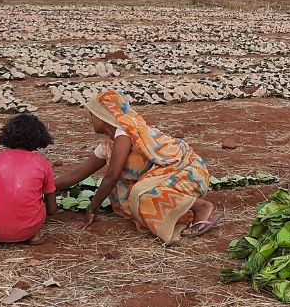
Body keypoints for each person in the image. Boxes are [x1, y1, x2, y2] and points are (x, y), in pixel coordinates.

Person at [55, 90, 219, 244]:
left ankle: (201, 207)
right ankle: (182, 210)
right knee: (129, 202)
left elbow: (112, 175)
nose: (90, 119)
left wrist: (92, 208)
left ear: (103, 115)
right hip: (164, 178)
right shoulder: (108, 145)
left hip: (185, 172)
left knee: (142, 196)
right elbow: (77, 174)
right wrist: (42, 186)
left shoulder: (124, 135)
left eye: (92, 115)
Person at [0, 114, 57, 249]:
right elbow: (52, 209)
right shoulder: (43, 164)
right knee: (37, 202)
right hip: (29, 228)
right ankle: (35, 236)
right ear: (40, 138)